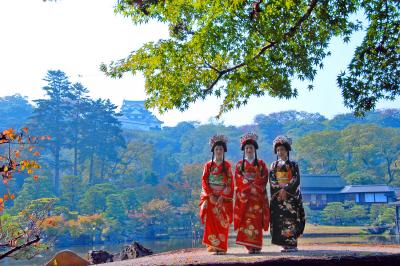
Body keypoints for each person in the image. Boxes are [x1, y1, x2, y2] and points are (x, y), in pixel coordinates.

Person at [234, 132, 269, 254]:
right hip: (245, 199)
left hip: (257, 198)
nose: (249, 150)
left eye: (251, 148)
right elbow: (238, 179)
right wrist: (249, 186)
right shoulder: (239, 164)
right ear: (244, 150)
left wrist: (254, 185)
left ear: (255, 149)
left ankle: (257, 246)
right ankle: (249, 246)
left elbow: (264, 177)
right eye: (247, 148)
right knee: (246, 220)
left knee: (256, 221)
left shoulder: (261, 164)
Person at [269, 135, 305, 252]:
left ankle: (292, 244)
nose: (280, 152)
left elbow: (296, 179)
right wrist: (280, 190)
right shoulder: (273, 165)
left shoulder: (294, 165)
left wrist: (286, 189)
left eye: (282, 149)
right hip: (279, 197)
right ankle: (283, 244)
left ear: (287, 150)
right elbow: (272, 180)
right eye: (278, 150)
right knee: (280, 220)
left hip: (290, 197)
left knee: (291, 219)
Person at [199, 134, 234, 255]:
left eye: (221, 149)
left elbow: (230, 182)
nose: (219, 151)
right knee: (211, 223)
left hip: (222, 198)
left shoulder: (227, 165)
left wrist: (222, 196)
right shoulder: (208, 165)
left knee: (222, 221)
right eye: (216, 149)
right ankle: (213, 246)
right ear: (213, 151)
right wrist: (210, 195)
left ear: (224, 151)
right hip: (211, 197)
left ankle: (222, 247)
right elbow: (204, 180)